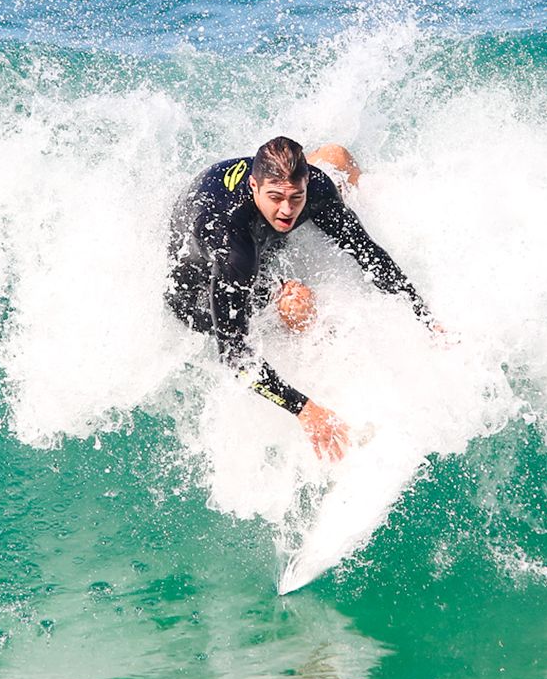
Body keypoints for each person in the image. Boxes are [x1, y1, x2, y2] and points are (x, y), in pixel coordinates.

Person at [166, 136, 439, 462]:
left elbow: (368, 254)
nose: (287, 209)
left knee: (336, 157)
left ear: (307, 181)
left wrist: (424, 316)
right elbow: (236, 357)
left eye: (296, 197)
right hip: (195, 289)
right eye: (276, 197)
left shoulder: (315, 188)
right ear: (254, 185)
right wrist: (304, 409)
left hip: (254, 227)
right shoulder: (232, 248)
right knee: (296, 305)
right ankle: (339, 370)